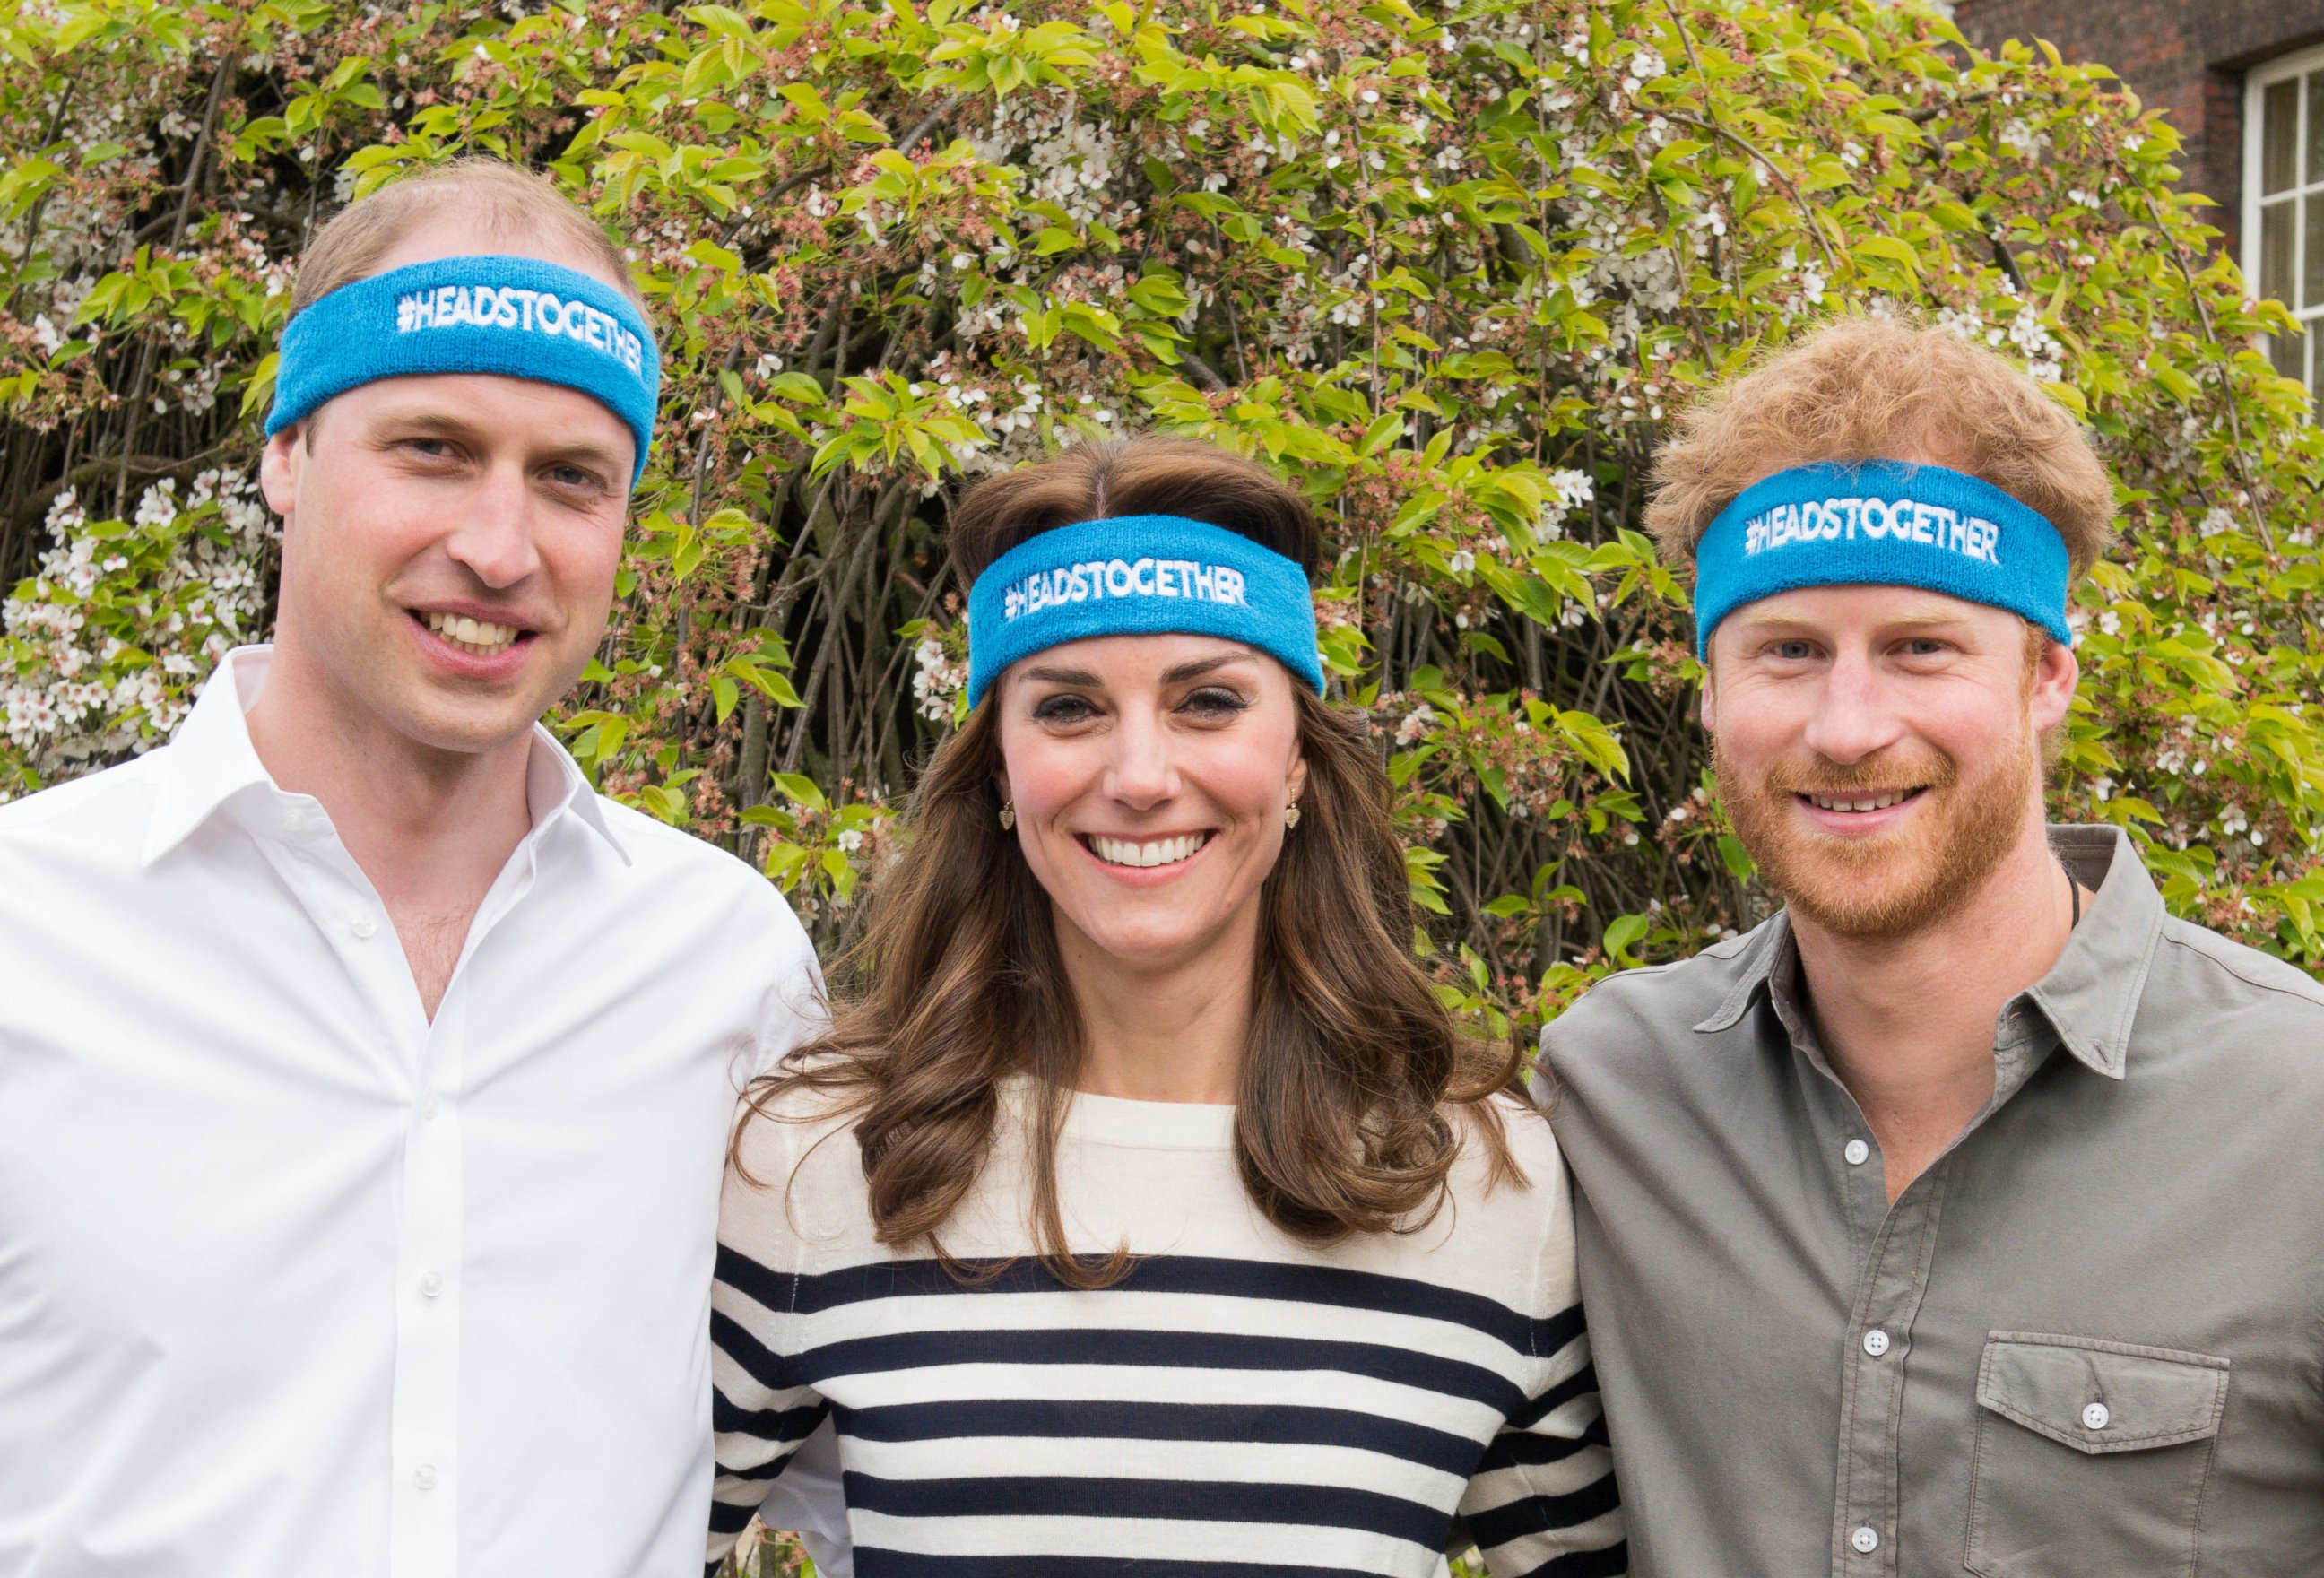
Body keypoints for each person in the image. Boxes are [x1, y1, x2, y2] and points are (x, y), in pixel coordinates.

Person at [0, 160, 819, 1576]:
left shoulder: (729, 967)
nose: (499, 548)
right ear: (285, 456)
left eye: (571, 479)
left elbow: (886, 1464)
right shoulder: (29, 928)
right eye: (433, 449)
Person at [705, 438, 1627, 1577]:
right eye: (1070, 707)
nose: (1140, 775)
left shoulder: (1484, 1180)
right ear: (998, 767)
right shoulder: (822, 1163)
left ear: (1295, 762)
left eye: (1207, 702)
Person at [1540, 316, 2324, 1575]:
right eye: (1788, 651)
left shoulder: (2300, 1119)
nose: (1849, 728)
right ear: (1707, 690)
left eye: (1921, 649)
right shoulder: (1610, 1092)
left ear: (2047, 676)